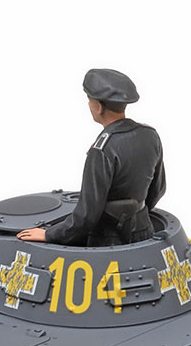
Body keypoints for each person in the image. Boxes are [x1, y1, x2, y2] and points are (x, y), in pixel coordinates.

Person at [18, 69, 166, 246]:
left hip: (108, 240)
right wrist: (136, 214)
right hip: (144, 232)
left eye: (89, 100)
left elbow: (87, 216)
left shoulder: (102, 149)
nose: (89, 105)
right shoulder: (150, 135)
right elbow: (158, 189)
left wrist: (49, 234)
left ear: (98, 106)